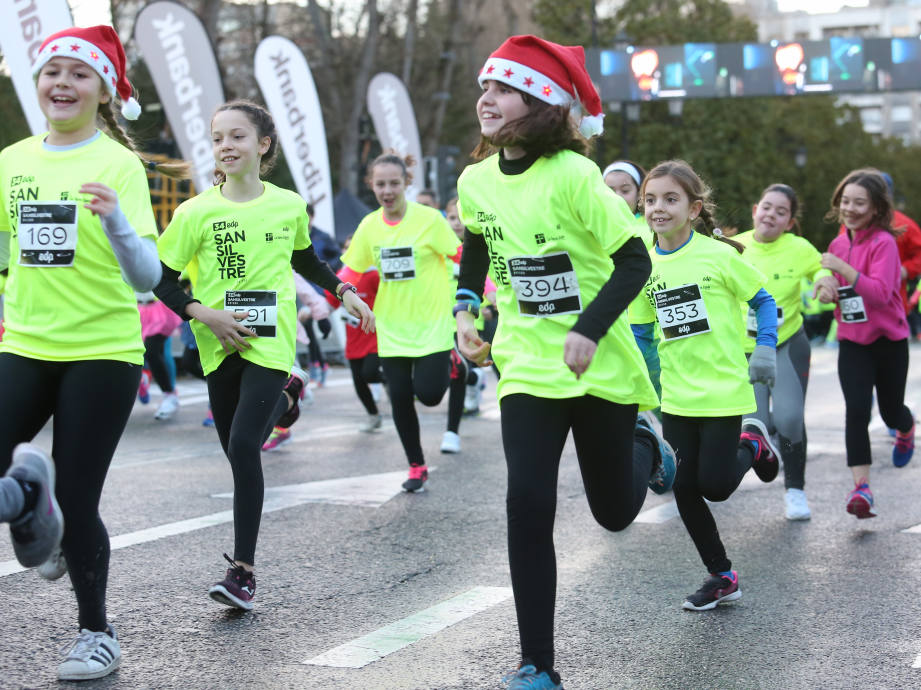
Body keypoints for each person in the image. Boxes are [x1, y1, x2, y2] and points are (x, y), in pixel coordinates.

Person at [455, 36, 676, 690]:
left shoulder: (577, 179)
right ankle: (537, 664)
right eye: (484, 86)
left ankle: (644, 443)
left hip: (596, 364)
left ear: (544, 101)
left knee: (612, 513)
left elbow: (633, 260)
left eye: (502, 88)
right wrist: (465, 314)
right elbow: (475, 249)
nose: (485, 98)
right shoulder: (474, 182)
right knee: (526, 502)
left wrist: (587, 327)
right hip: (524, 361)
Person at [0, 25, 188, 680]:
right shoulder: (12, 161)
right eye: (53, 71)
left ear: (103, 91)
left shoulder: (118, 165)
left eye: (79, 74)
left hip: (102, 350)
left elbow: (144, 276)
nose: (62, 83)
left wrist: (115, 221)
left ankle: (95, 633)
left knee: (80, 499)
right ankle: (29, 508)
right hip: (25, 342)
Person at [154, 100, 374, 610]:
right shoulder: (195, 212)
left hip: (270, 341)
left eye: (237, 136)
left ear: (263, 144)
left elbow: (307, 262)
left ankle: (242, 573)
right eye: (217, 138)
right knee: (233, 448)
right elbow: (160, 277)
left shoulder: (287, 205)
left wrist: (344, 292)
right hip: (217, 342)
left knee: (245, 445)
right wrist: (202, 313)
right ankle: (287, 398)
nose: (226, 146)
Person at [631, 160, 780, 612]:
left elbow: (763, 300)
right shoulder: (641, 265)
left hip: (721, 391)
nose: (659, 208)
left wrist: (766, 346)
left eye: (670, 199)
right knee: (685, 488)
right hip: (676, 395)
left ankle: (751, 444)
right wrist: (645, 390)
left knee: (715, 486)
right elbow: (641, 333)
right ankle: (722, 574)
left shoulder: (718, 256)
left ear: (694, 209)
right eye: (651, 200)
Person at [339, 152, 460, 492]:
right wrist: (331, 292)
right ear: (371, 186)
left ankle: (451, 362)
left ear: (407, 183)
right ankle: (416, 465)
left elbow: (459, 254)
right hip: (391, 329)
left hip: (433, 324)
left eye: (394, 183)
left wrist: (489, 283)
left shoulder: (429, 220)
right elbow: (351, 269)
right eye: (380, 184)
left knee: (431, 394)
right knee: (400, 399)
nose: (387, 190)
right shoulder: (370, 226)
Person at [813, 168, 914, 518]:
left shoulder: (884, 242)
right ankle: (862, 488)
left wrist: (841, 267)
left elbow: (881, 294)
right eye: (846, 201)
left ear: (876, 209)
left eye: (860, 203)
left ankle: (906, 427)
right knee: (856, 411)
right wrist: (826, 288)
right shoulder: (838, 244)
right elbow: (837, 291)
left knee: (889, 411)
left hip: (888, 342)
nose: (851, 209)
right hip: (853, 342)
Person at [735, 184, 831, 520]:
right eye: (766, 207)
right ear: (754, 210)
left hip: (786, 342)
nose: (771, 215)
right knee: (755, 425)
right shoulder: (736, 246)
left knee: (790, 418)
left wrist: (823, 280)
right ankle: (756, 458)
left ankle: (795, 491)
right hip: (744, 350)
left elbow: (821, 268)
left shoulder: (800, 248)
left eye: (781, 212)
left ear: (789, 222)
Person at [137, 292, 182, 420]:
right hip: (138, 309)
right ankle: (143, 376)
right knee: (147, 350)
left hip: (159, 309)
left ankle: (169, 393)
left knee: (154, 351)